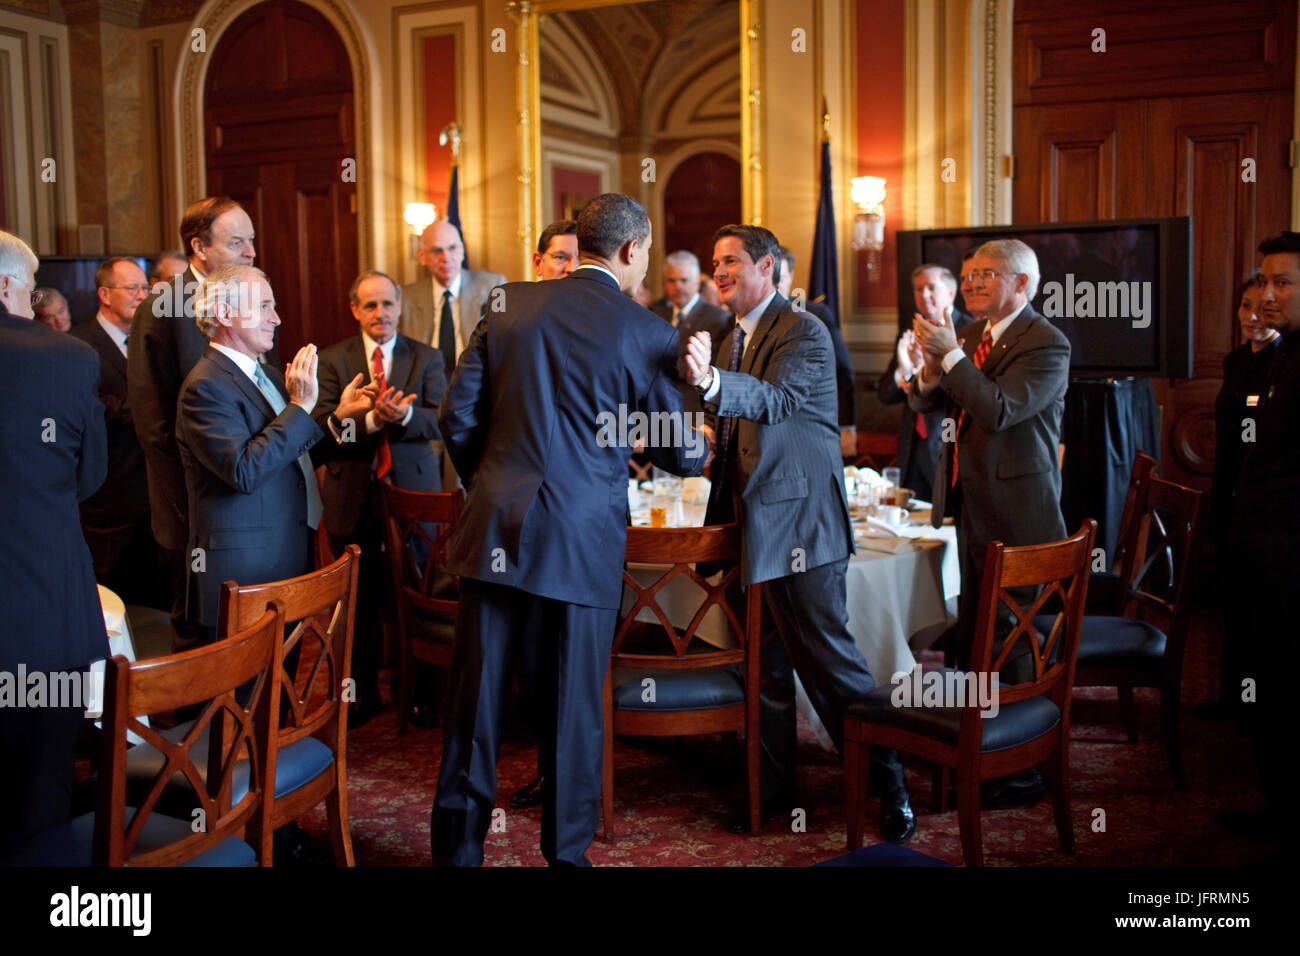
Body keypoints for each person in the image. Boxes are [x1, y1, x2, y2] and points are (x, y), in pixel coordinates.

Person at [432, 193, 707, 866]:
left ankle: (458, 857)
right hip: (582, 537)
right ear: (632, 251)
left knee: (475, 708)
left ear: (578, 244)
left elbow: (455, 419)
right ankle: (566, 857)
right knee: (573, 707)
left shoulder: (505, 306)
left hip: (496, 523)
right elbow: (676, 453)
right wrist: (699, 435)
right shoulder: (646, 330)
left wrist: (495, 480)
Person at [684, 224, 913, 841]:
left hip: (800, 525)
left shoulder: (804, 330)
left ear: (768, 266)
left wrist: (710, 386)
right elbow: (735, 423)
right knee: (765, 673)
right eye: (715, 261)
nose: (720, 271)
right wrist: (705, 439)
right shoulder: (734, 334)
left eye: (731, 260)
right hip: (747, 527)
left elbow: (776, 401)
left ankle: (890, 783)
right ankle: (774, 794)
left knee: (830, 666)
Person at [910, 238, 1069, 805]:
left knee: (1014, 637)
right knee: (977, 627)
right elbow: (933, 404)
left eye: (985, 275)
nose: (971, 283)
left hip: (1018, 509)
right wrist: (930, 370)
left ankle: (1023, 765)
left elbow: (999, 409)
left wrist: (950, 356)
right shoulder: (976, 336)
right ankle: (982, 744)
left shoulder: (1047, 343)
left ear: (1021, 284)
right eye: (968, 275)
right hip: (969, 501)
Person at [175, 265, 374, 636]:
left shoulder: (261, 372)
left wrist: (337, 420)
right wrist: (299, 407)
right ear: (224, 313)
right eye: (264, 306)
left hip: (281, 560)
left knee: (279, 689)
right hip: (242, 573)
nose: (276, 318)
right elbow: (245, 470)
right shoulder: (206, 386)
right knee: (243, 693)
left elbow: (287, 458)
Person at [0, 229, 108, 854]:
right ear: (13, 285)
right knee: (43, 794)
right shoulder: (70, 357)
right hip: (47, 608)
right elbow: (89, 478)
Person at [313, 271, 446, 726]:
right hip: (354, 494)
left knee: (420, 590)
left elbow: (443, 421)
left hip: (414, 497)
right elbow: (322, 434)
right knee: (360, 600)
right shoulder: (333, 361)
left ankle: (424, 693)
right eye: (370, 306)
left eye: (387, 304)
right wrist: (370, 422)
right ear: (355, 310)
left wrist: (405, 415)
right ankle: (361, 694)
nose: (380, 314)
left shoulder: (426, 357)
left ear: (399, 306)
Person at [129, 196, 258, 647]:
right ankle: (196, 720)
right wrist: (192, 510)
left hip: (245, 495)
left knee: (244, 629)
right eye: (237, 241)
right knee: (201, 632)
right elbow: (154, 428)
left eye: (252, 241)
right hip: (193, 508)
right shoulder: (162, 308)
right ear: (199, 247)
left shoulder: (251, 295)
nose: (250, 252)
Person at [1222, 232, 1300, 839]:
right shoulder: (1283, 355)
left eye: (1284, 283)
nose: (1267, 296)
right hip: (1266, 550)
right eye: (1264, 282)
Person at [68, 257, 163, 607]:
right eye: (133, 288)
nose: (142, 296)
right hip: (108, 499)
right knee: (112, 598)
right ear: (105, 294)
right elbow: (90, 408)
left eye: (146, 288)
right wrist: (149, 410)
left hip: (153, 495)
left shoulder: (152, 339)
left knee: (154, 596)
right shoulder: (78, 345)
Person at [877, 264, 973, 503]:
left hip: (949, 445)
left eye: (931, 288)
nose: (924, 295)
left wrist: (928, 372)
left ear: (951, 293)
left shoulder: (970, 330)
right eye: (919, 289)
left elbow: (968, 392)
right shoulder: (910, 333)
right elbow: (885, 394)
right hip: (911, 448)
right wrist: (904, 371)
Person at [775, 244, 857, 457]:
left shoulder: (815, 313)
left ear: (791, 276)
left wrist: (847, 425)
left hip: (809, 425)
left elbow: (843, 371)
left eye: (781, 277)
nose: (775, 285)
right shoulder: (746, 317)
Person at [400, 220, 506, 377]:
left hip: (477, 382)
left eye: (452, 248)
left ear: (462, 251)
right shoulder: (405, 298)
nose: (446, 257)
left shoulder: (496, 287)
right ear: (422, 256)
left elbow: (506, 340)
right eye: (437, 251)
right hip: (425, 385)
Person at [649, 249, 733, 349]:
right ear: (664, 285)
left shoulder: (718, 319)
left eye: (684, 280)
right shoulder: (657, 317)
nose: (677, 287)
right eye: (671, 281)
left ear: (697, 283)